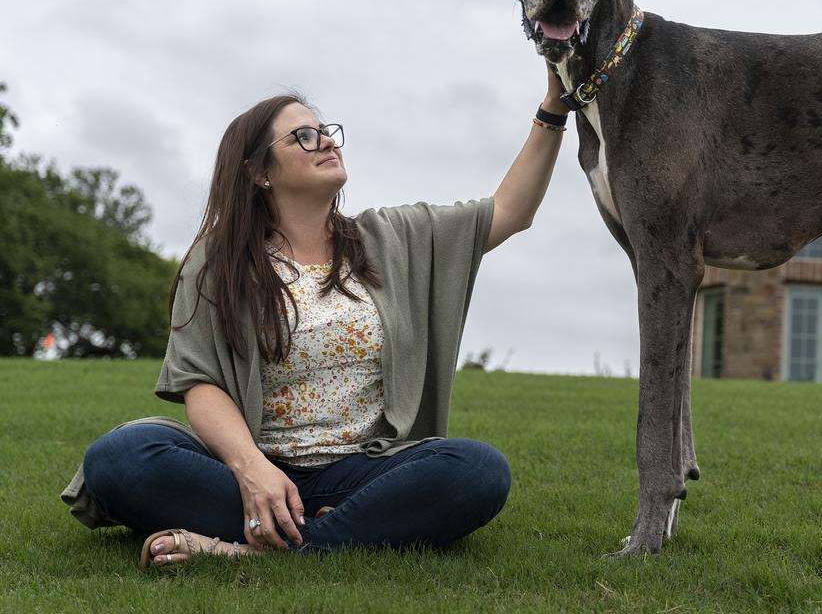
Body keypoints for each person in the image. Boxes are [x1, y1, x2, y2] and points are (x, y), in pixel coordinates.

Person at [63, 67, 573, 566]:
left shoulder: (394, 237)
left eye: (327, 132)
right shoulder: (218, 260)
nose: (327, 142)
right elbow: (201, 383)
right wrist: (252, 469)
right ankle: (330, 529)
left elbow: (510, 211)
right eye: (303, 137)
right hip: (252, 470)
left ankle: (254, 549)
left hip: (366, 471)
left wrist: (553, 108)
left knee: (478, 470)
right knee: (120, 456)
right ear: (260, 171)